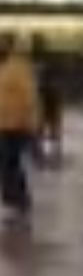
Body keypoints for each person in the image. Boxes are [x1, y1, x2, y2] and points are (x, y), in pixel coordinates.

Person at [0, 37, 41, 222]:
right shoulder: (6, 67)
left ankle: (18, 202)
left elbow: (30, 97)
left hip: (16, 125)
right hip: (5, 123)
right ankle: (19, 200)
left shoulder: (18, 68)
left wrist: (32, 124)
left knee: (9, 163)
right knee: (10, 163)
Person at [29, 34, 64, 167]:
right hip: (46, 95)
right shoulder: (45, 58)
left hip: (46, 96)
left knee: (44, 124)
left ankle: (45, 150)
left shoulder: (34, 59)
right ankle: (49, 150)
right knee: (44, 124)